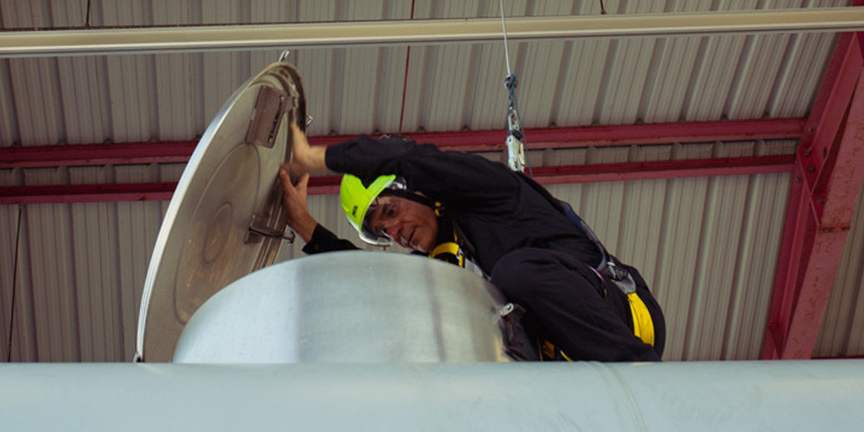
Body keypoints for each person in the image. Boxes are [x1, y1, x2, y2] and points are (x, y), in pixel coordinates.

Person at [281, 123, 665, 363]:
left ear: (414, 190)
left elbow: (411, 159)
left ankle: (639, 371)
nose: (394, 232)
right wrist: (305, 225)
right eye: (382, 232)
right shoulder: (444, 266)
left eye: (391, 211)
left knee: (516, 272)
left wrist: (321, 157)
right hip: (562, 359)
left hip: (625, 318)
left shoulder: (488, 193)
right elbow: (374, 280)